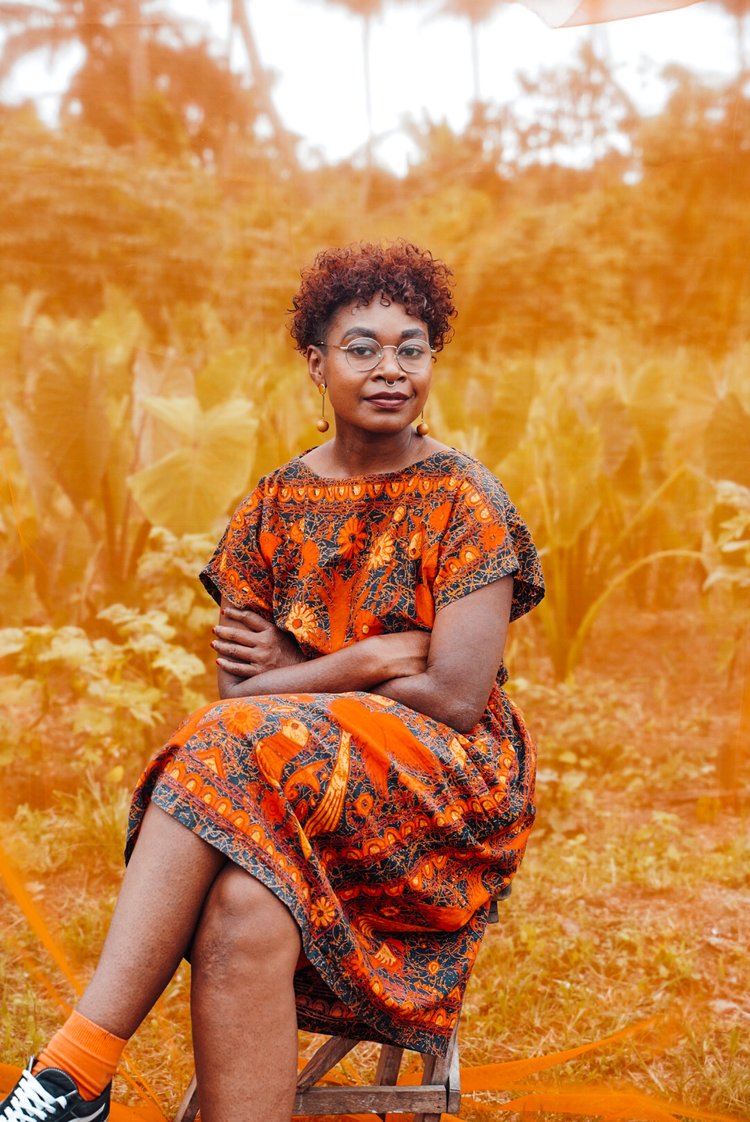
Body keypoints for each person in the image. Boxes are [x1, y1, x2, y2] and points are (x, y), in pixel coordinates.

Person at [1, 241, 544, 1122]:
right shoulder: (270, 507)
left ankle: (72, 1068)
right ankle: (82, 1080)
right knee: (244, 909)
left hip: (442, 793)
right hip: (293, 786)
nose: (390, 370)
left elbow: (454, 696)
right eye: (362, 348)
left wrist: (307, 677)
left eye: (412, 347)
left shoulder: (464, 499)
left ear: (433, 359)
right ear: (316, 363)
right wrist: (370, 660)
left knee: (226, 748)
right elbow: (243, 700)